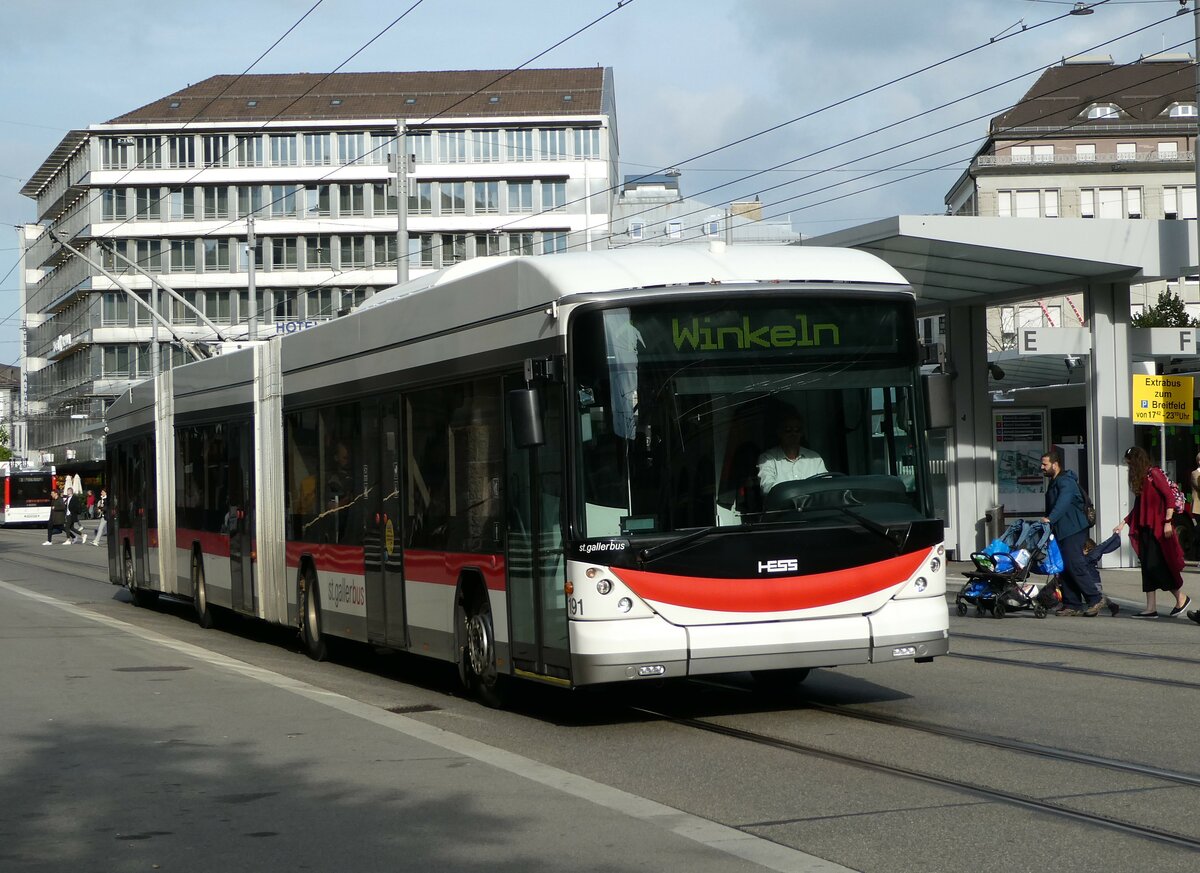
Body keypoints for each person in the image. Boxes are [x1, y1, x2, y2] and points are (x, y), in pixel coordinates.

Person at [1113, 446, 1191, 618]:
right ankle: (1151, 607)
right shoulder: (1142, 478)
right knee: (1148, 568)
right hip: (1146, 529)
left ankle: (1181, 598)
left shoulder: (1154, 474)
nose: (1129, 467)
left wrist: (1168, 522)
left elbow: (1169, 498)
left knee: (1158, 566)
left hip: (1158, 528)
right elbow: (1138, 507)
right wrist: (1123, 523)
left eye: (1130, 463)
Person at [1040, 449, 1105, 616]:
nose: (1042, 467)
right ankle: (1072, 603)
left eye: (1045, 464)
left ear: (1055, 465)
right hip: (1062, 530)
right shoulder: (1055, 481)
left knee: (1074, 564)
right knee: (1064, 567)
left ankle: (1095, 598)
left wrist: (1050, 518)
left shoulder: (1066, 482)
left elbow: (1063, 502)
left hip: (1074, 529)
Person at [756, 413, 827, 495]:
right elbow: (768, 488)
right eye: (788, 430)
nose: (793, 434)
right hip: (784, 507)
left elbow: (825, 485)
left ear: (801, 434)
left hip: (811, 506)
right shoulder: (767, 459)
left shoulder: (814, 458)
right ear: (779, 433)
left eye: (797, 430)